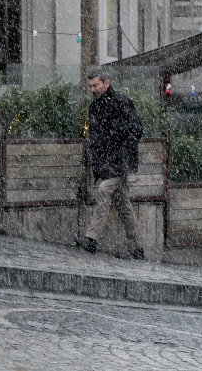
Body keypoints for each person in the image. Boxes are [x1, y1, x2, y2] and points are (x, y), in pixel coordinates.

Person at [75, 69, 145, 260]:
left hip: (119, 163)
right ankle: (138, 248)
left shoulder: (122, 102)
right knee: (124, 206)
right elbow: (96, 139)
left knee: (104, 190)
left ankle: (92, 239)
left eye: (96, 85)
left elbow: (137, 130)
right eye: (90, 86)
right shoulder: (94, 107)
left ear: (107, 83)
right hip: (107, 164)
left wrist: (122, 154)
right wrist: (100, 163)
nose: (93, 89)